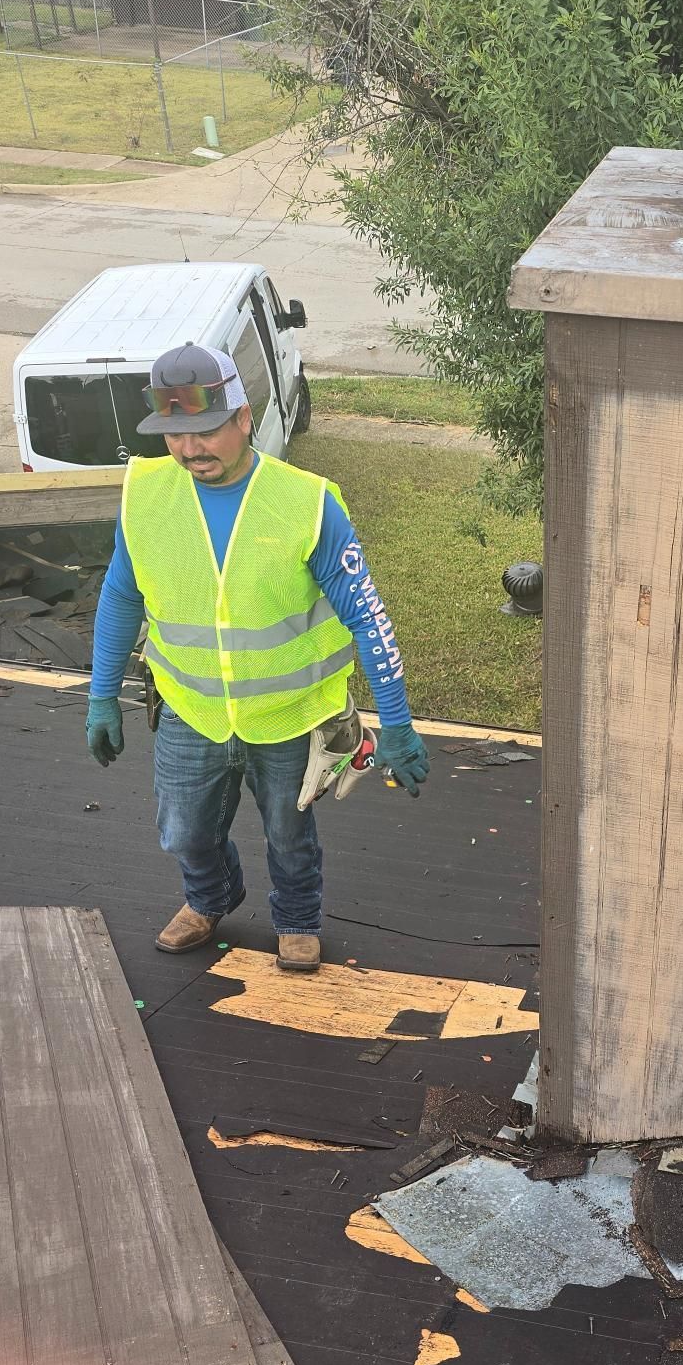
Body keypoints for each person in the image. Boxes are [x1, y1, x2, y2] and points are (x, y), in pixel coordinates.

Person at [84, 343, 427, 975]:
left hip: (291, 716)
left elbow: (366, 615)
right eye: (175, 435)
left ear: (244, 417)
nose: (191, 451)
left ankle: (296, 920)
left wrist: (399, 724)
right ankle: (211, 899)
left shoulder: (307, 503)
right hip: (193, 712)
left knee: (290, 834)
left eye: (207, 430)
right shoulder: (146, 494)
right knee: (183, 833)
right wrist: (102, 694)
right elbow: (120, 592)